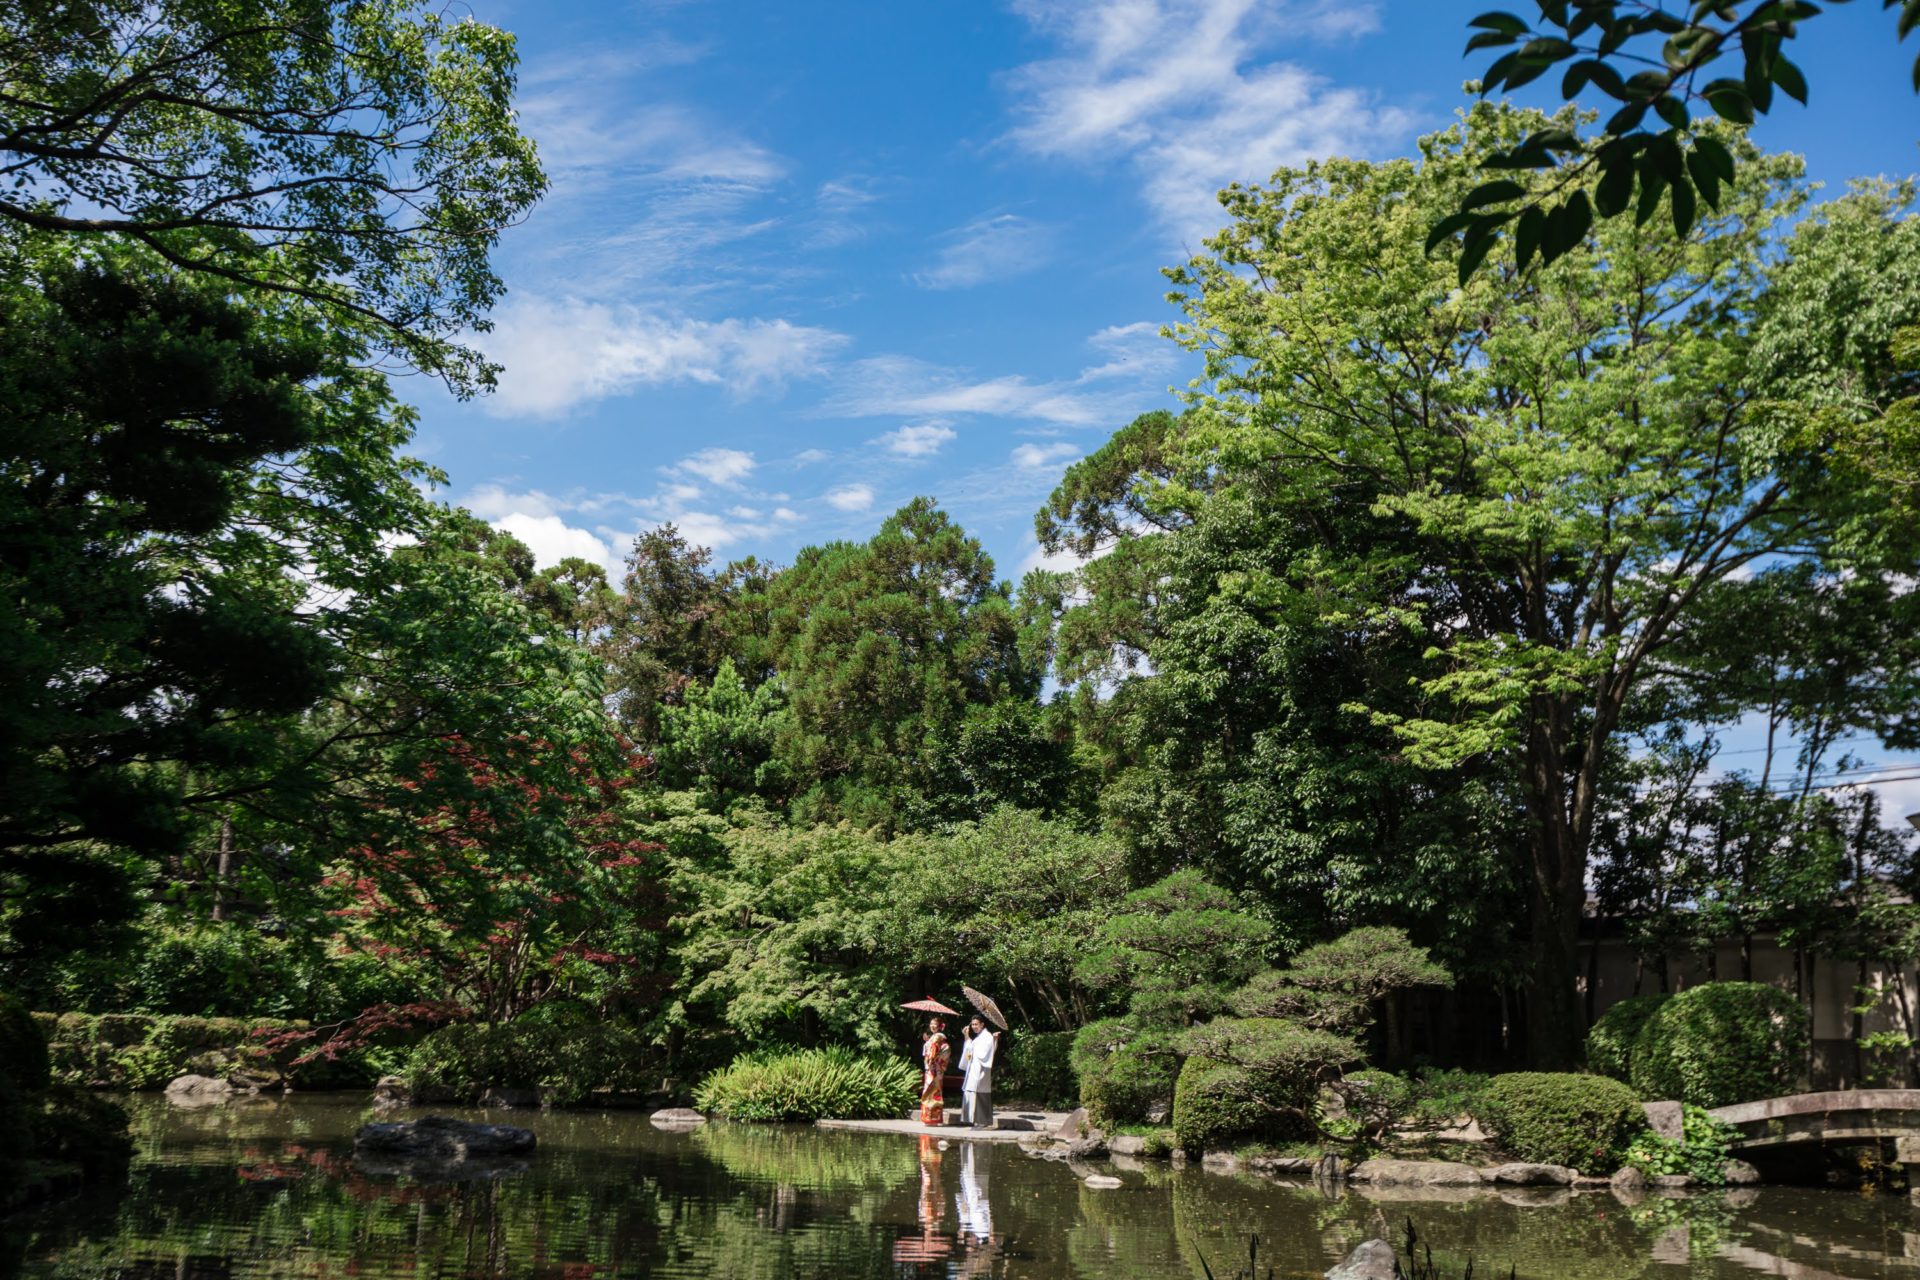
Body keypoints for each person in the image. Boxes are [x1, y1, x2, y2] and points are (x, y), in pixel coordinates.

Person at [957, 1015, 996, 1128]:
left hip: (981, 1070)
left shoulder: (987, 1037)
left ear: (982, 1024)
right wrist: (966, 1036)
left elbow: (984, 1053)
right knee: (972, 1092)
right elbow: (970, 1048)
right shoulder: (979, 1037)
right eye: (973, 1024)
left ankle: (982, 1121)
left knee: (980, 1093)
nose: (974, 1027)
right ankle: (975, 1120)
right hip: (973, 1069)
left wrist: (994, 1040)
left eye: (976, 1024)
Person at [919, 1016, 950, 1126]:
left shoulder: (938, 1038)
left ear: (940, 1026)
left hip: (934, 1070)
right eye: (931, 1024)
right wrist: (928, 1042)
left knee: (931, 1093)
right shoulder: (934, 1038)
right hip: (934, 1070)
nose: (932, 1026)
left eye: (935, 1024)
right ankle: (932, 1118)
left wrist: (930, 1045)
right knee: (932, 1093)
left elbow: (932, 1055)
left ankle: (931, 1119)